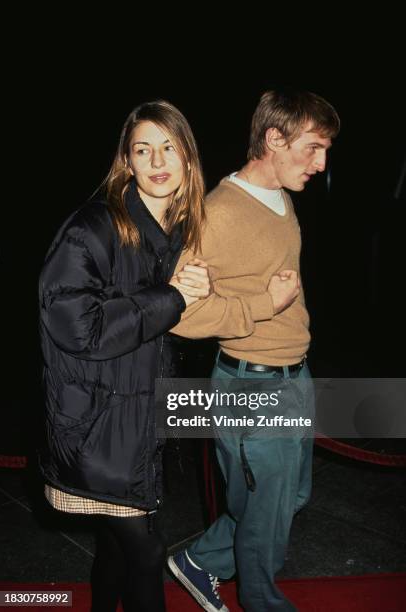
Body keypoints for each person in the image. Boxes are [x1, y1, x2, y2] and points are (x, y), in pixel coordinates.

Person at [167, 89, 340, 612]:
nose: (321, 162)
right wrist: (264, 304)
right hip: (251, 385)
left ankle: (201, 560)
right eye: (312, 147)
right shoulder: (218, 213)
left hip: (292, 377)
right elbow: (180, 313)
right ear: (273, 139)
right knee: (266, 517)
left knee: (289, 498)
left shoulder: (283, 199)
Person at [38, 100, 212, 612]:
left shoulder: (178, 230)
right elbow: (78, 328)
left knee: (116, 546)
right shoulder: (91, 227)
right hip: (94, 425)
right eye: (143, 149)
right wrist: (174, 297)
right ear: (127, 161)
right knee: (147, 551)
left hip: (137, 420)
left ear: (187, 158)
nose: (158, 161)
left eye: (169, 148)